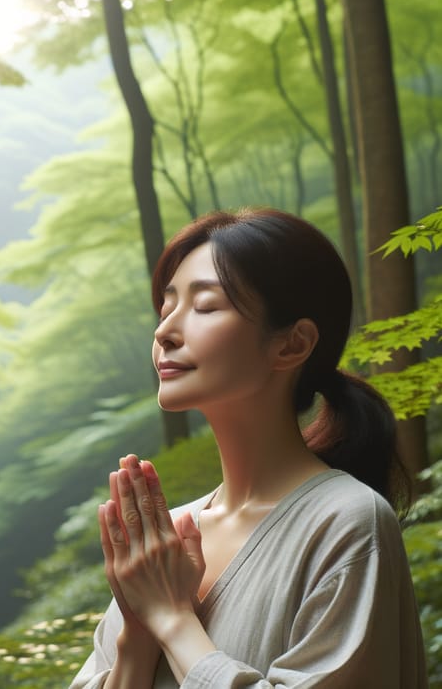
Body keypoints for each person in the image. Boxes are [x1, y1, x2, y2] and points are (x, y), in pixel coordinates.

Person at [70, 208, 428, 688]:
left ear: (292, 344)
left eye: (205, 306)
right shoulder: (168, 540)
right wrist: (138, 635)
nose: (164, 333)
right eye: (166, 308)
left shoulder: (347, 521)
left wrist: (173, 621)